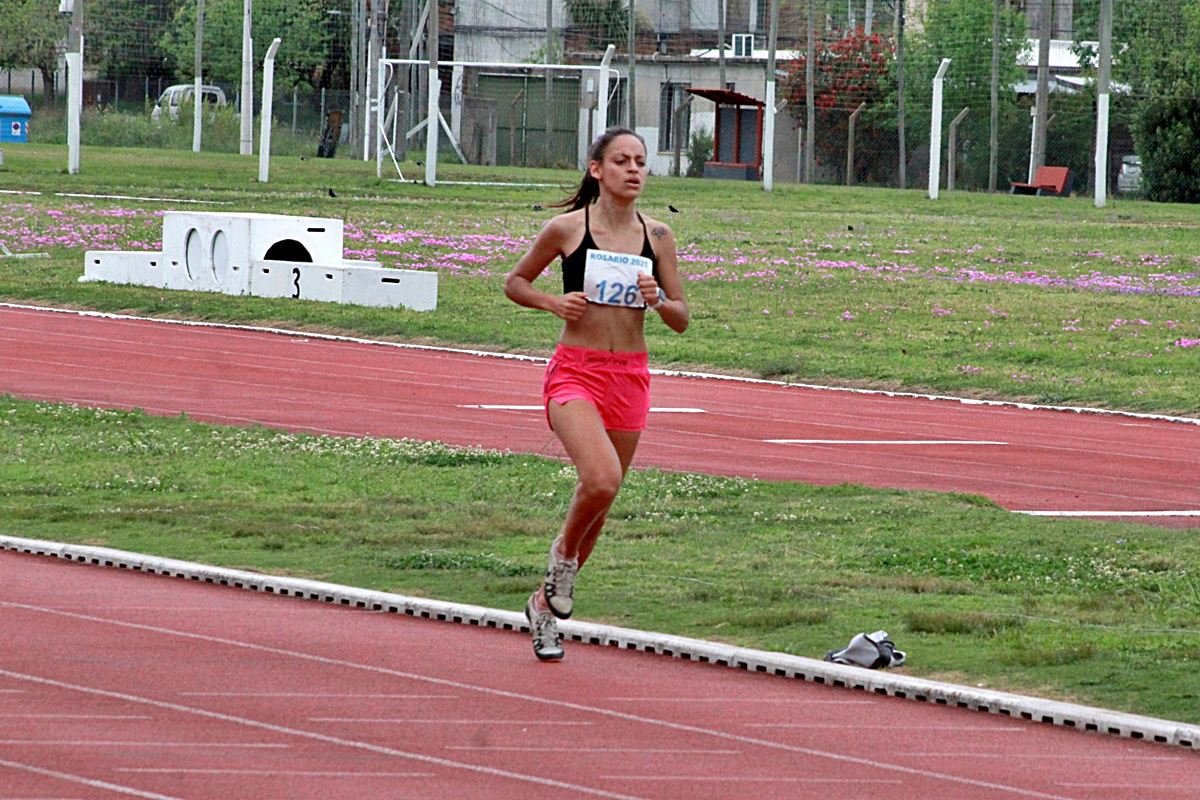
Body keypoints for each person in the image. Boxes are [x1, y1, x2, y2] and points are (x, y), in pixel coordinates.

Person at [504, 127, 689, 661]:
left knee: (602, 502)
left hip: (629, 375)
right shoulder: (567, 229)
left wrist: (658, 300)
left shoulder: (659, 236)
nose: (634, 170)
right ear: (596, 169)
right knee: (602, 478)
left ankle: (543, 606)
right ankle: (563, 560)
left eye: (640, 162)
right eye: (622, 161)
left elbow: (681, 317)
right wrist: (553, 304)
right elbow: (515, 282)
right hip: (576, 372)